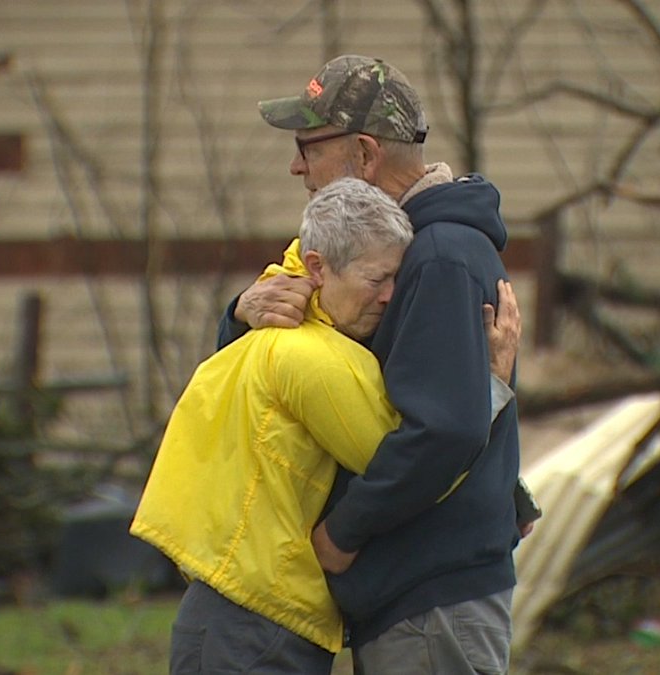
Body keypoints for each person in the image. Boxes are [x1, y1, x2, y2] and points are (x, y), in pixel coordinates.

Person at [131, 177, 521, 674]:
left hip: (240, 607)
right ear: (317, 267)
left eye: (397, 281)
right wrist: (488, 386)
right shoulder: (311, 357)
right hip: (257, 621)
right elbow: (421, 456)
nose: (390, 298)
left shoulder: (272, 332)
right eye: (375, 279)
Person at [218, 55, 527, 674]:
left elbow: (443, 429)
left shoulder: (439, 256)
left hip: (429, 594)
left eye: (309, 146)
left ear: (363, 153)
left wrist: (342, 535)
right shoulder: (386, 251)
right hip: (414, 593)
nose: (296, 166)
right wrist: (244, 314)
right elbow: (315, 370)